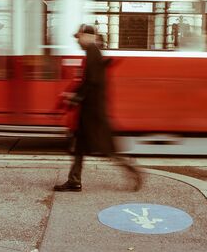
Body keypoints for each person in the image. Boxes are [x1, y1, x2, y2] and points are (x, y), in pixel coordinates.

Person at [53, 24, 143, 192]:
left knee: (105, 148)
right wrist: (75, 96)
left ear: (87, 37)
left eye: (79, 37)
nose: (77, 41)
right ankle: (74, 181)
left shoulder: (93, 52)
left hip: (93, 113)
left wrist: (76, 97)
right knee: (80, 146)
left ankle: (132, 170)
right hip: (89, 111)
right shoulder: (92, 52)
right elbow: (88, 81)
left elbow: (92, 81)